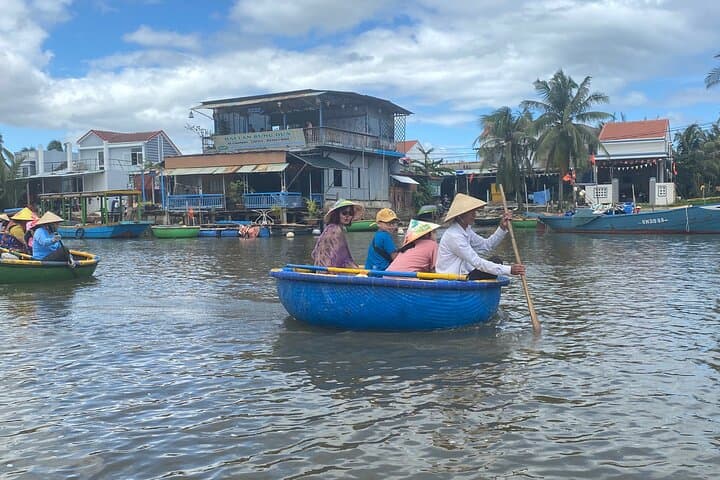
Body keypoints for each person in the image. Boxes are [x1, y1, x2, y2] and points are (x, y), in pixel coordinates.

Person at [436, 193, 525, 279]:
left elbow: (486, 245)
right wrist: (509, 270)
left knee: (496, 260)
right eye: (471, 212)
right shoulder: (454, 236)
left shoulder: (467, 230)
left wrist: (501, 228)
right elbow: (477, 262)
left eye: (475, 211)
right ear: (461, 216)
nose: (474, 215)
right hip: (452, 278)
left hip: (465, 274)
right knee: (495, 263)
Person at [311, 199, 364, 268]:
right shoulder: (335, 230)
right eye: (344, 213)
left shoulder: (330, 228)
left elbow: (314, 254)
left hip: (323, 269)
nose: (347, 216)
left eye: (350, 213)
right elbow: (341, 257)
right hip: (328, 272)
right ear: (337, 214)